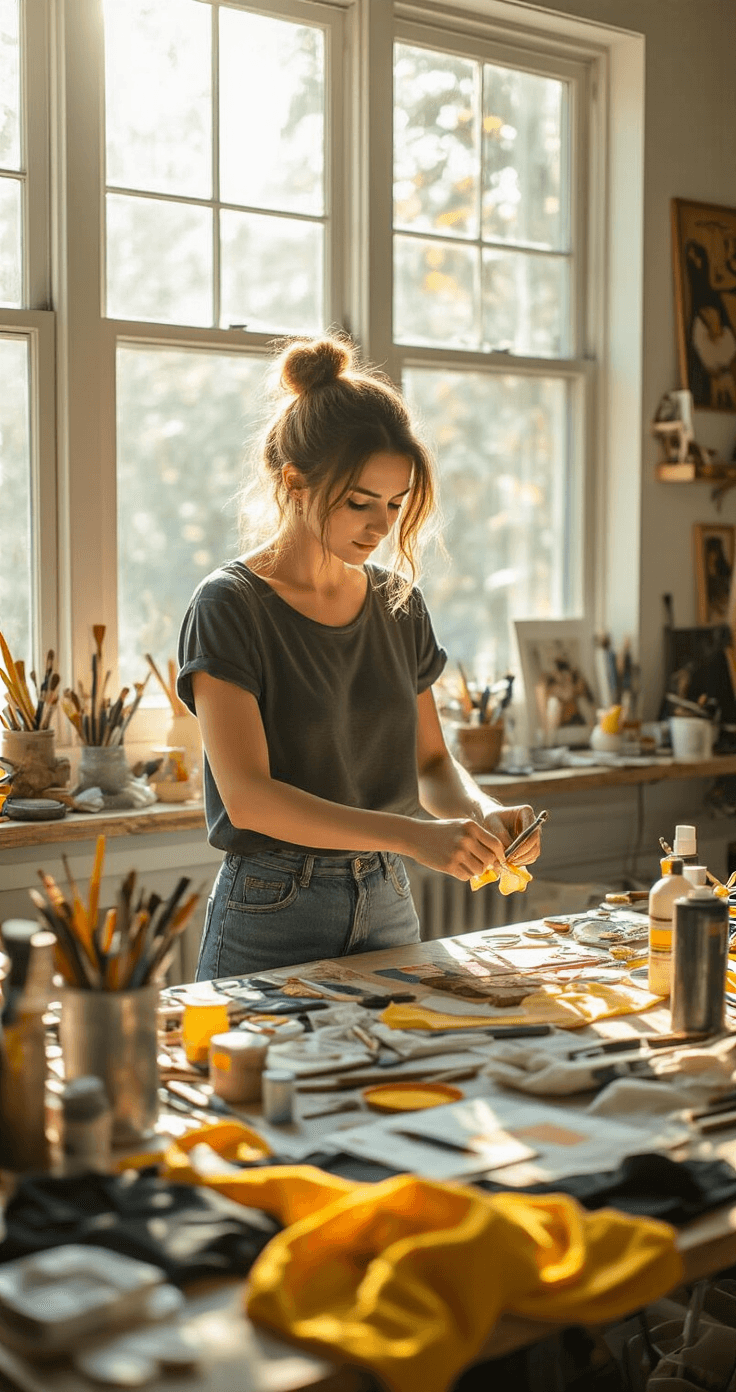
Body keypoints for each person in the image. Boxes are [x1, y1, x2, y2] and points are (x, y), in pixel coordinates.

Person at [177, 333, 542, 980]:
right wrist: (410, 835)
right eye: (360, 502)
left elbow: (431, 763)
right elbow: (249, 800)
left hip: (386, 899)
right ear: (295, 483)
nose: (382, 527)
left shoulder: (399, 603)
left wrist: (481, 814)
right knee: (253, 1082)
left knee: (404, 1076)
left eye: (396, 504)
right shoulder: (228, 607)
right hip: (271, 908)